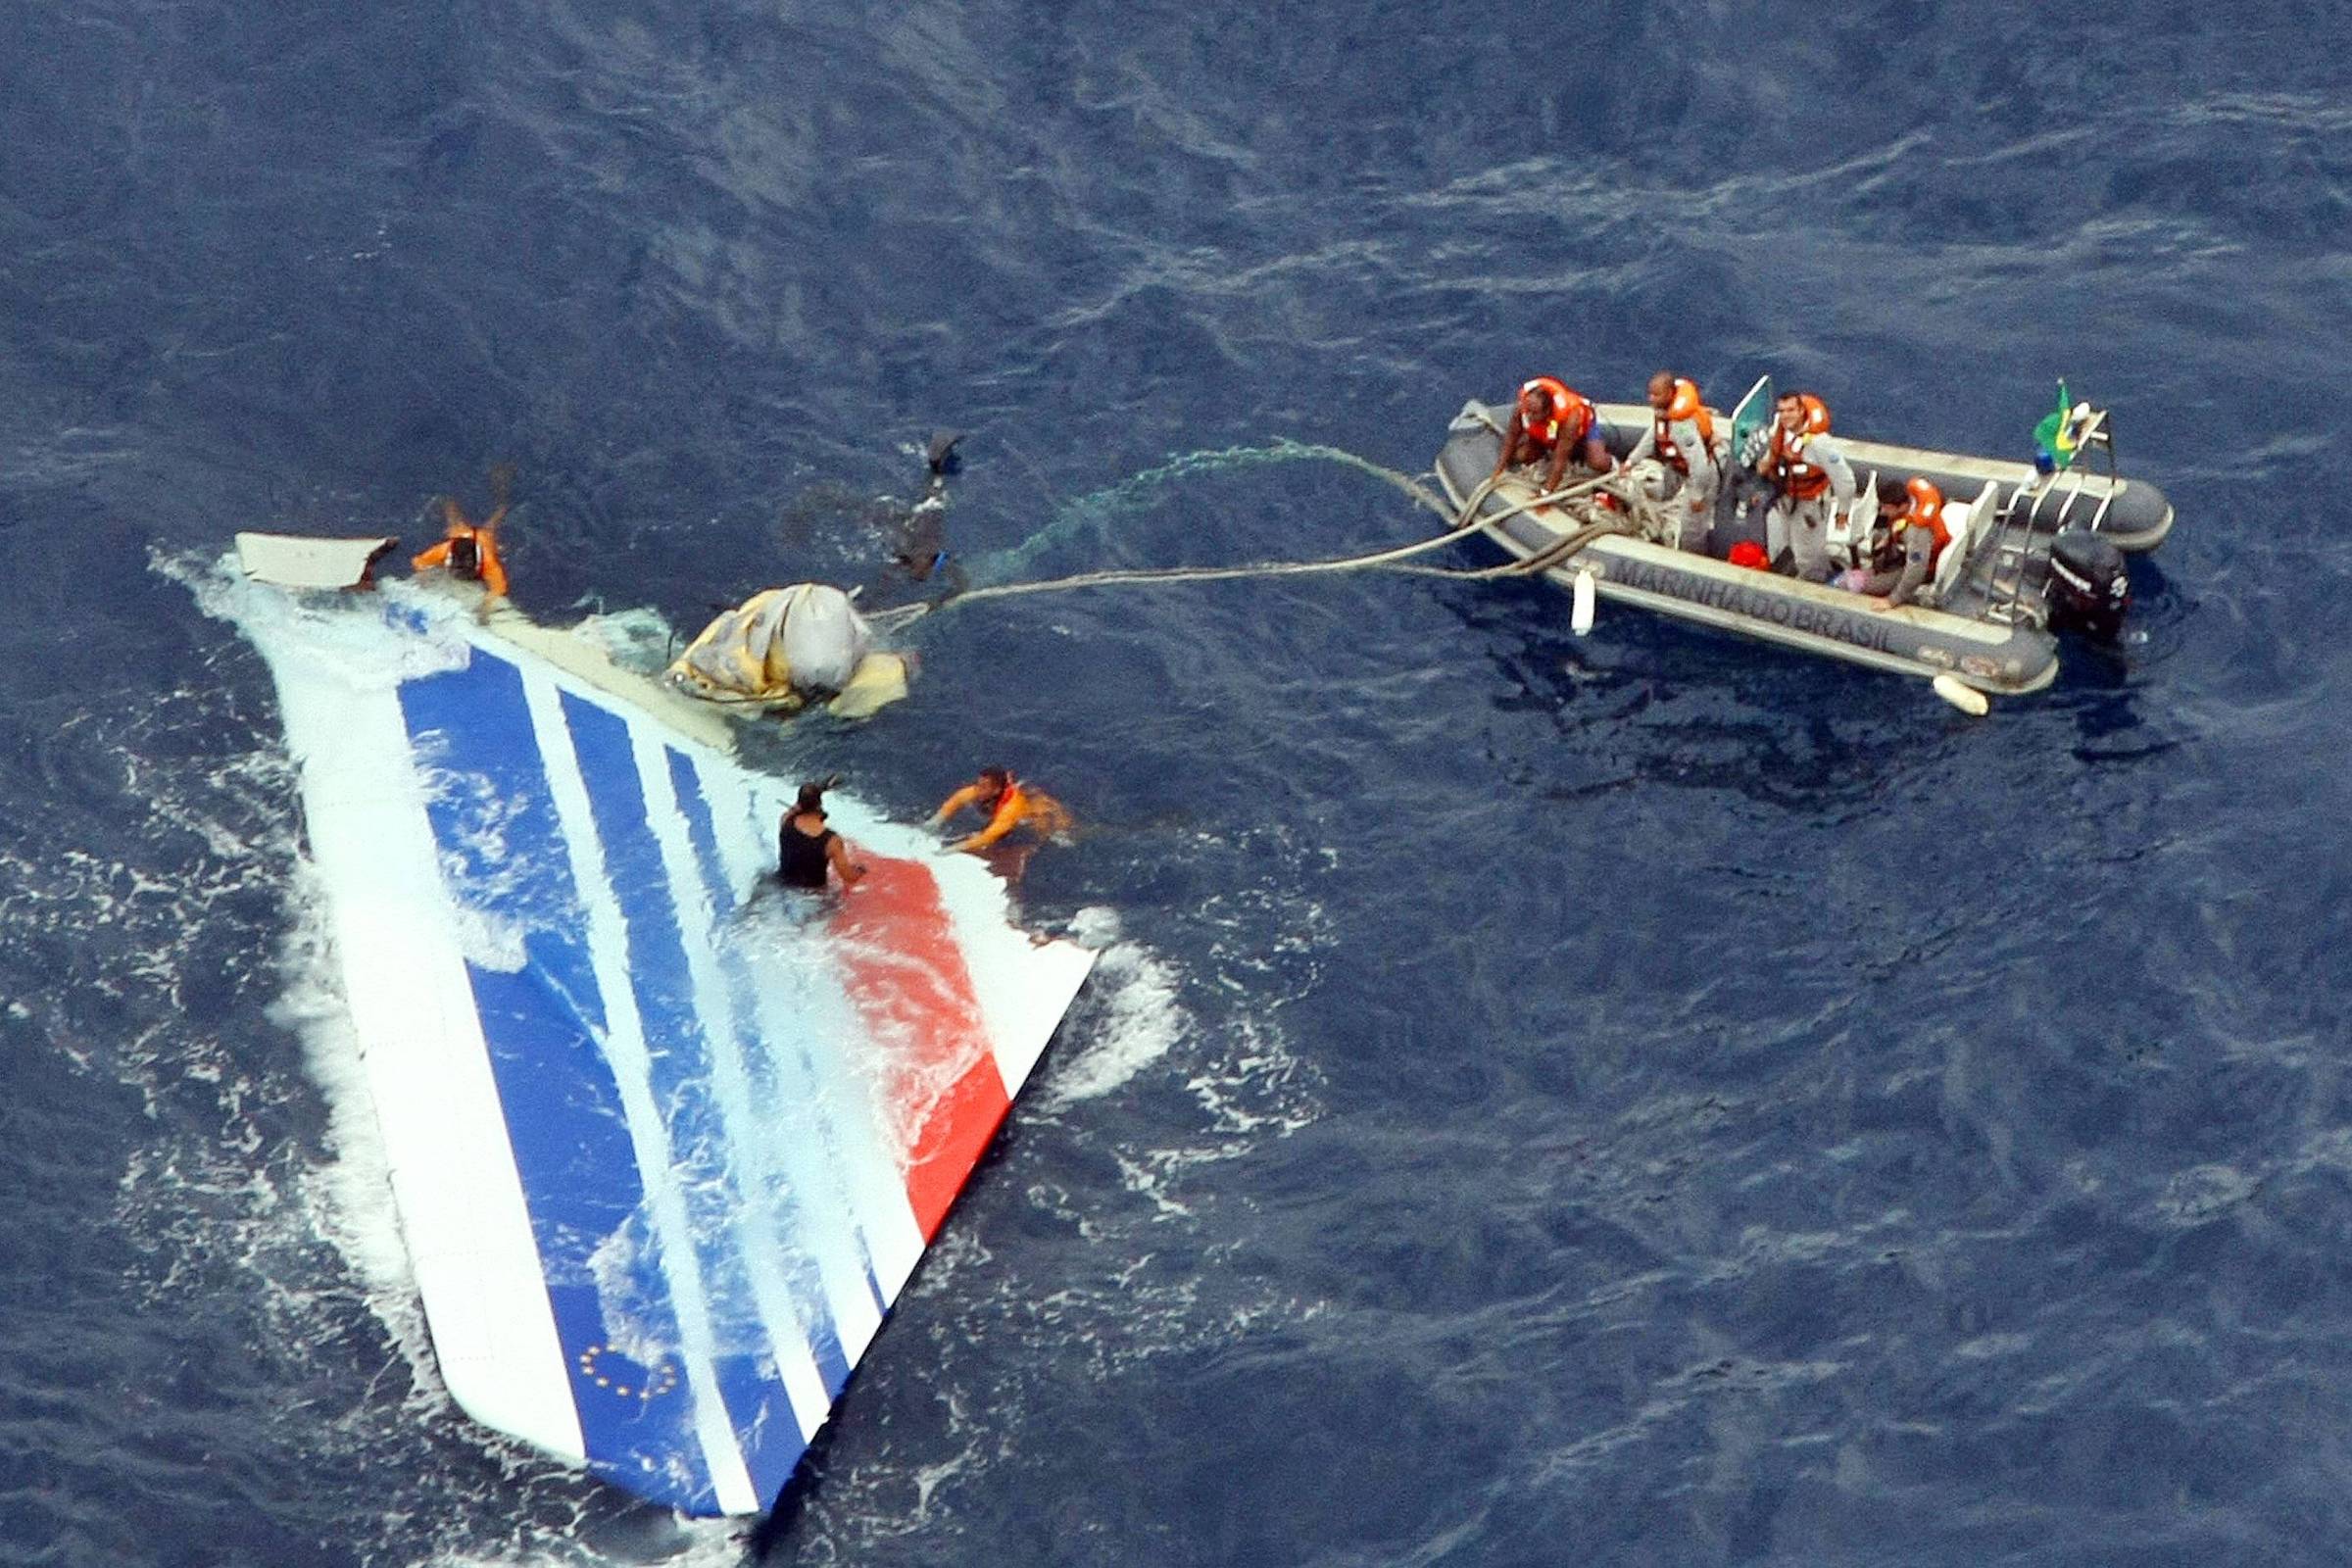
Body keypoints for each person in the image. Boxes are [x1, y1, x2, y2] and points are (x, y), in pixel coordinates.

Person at [1753, 391, 1855, 582]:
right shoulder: (1781, 429)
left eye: (1791, 410)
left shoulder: (1819, 444)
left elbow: (1846, 481)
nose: (1785, 415)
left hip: (1810, 505)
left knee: (1807, 553)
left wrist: (1843, 512)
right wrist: (1766, 463)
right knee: (1788, 540)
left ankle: (1813, 583)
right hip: (1786, 497)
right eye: (1782, 410)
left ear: (1801, 411)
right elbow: (1774, 452)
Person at [1621, 371, 1720, 553]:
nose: (1651, 399)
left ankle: (1693, 557)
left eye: (1656, 395)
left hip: (1698, 475)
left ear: (1669, 394)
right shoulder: (1661, 414)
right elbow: (1651, 438)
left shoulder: (1682, 426)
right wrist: (1631, 461)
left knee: (1693, 527)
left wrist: (1697, 494)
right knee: (1662, 494)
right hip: (1676, 467)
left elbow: (1699, 463)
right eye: (1650, 394)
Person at [1488, 375, 1614, 496]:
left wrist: (1546, 492)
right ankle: (1542, 455)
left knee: (1598, 462)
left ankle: (1613, 466)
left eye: (1535, 413)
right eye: (1528, 411)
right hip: (1545, 435)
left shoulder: (1570, 418)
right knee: (1522, 455)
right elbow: (1511, 437)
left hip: (1582, 432)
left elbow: (1560, 458)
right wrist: (1499, 469)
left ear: (1548, 411)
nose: (1529, 417)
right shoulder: (1523, 409)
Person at [1840, 477, 1952, 611]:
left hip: (1925, 566)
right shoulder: (1910, 505)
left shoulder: (1917, 534)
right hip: (1903, 550)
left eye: (1886, 508)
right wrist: (1888, 539)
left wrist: (1893, 600)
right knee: (1877, 538)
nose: (1882, 512)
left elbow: (1916, 571)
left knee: (1868, 587)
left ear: (1903, 506)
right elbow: (1899, 525)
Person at [412, 464, 513, 603]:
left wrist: (485, 605)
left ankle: (502, 481)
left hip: (484, 537)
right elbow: (418, 562)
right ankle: (445, 484)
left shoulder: (488, 561)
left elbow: (499, 589)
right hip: (461, 533)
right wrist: (424, 578)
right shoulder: (444, 550)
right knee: (449, 506)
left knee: (500, 513)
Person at [929, 766, 1071, 855]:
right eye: (978, 784)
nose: (977, 790)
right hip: (1016, 806)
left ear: (996, 790)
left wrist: (953, 849)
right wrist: (936, 820)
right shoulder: (981, 792)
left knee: (1064, 838)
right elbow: (958, 799)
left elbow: (987, 837)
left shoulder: (1010, 810)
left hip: (1039, 817)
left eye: (983, 787)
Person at [776, 778, 867, 891]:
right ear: (819, 805)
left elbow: (796, 808)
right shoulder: (832, 841)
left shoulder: (786, 820)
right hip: (813, 897)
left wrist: (818, 790)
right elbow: (849, 877)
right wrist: (861, 870)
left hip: (781, 884)